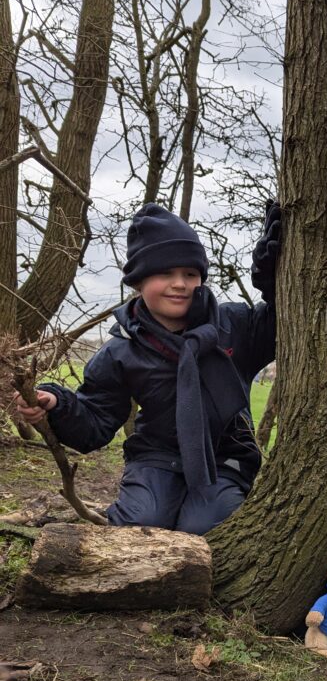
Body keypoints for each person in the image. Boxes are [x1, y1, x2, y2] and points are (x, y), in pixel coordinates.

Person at [14, 202, 281, 535]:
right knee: (142, 525)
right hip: (156, 456)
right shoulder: (122, 350)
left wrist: (273, 278)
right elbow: (95, 421)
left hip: (226, 457)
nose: (180, 283)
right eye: (165, 273)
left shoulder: (232, 325)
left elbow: (281, 323)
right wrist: (57, 404)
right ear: (138, 282)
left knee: (202, 528)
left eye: (190, 274)